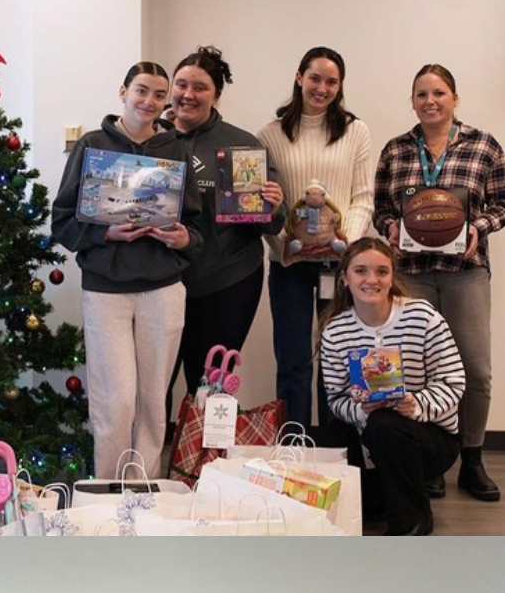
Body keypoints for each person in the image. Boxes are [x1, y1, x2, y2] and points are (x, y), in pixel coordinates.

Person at [51, 61, 201, 479]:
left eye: (159, 94)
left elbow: (195, 226)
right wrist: (105, 234)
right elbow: (62, 221)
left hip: (163, 289)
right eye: (141, 91)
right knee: (114, 400)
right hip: (106, 290)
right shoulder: (92, 145)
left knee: (153, 400)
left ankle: (144, 487)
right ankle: (108, 487)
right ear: (123, 92)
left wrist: (183, 239)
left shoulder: (176, 149)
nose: (149, 101)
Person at [372, 64, 505, 501]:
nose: (430, 101)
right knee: (416, 368)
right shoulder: (396, 150)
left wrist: (478, 227)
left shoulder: (484, 145)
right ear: (412, 101)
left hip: (464, 274)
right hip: (410, 274)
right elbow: (380, 208)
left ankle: (472, 460)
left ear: (454, 98)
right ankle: (429, 459)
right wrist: (390, 226)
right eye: (421, 94)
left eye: (438, 93)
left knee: (475, 370)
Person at [143, 46, 286, 417]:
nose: (188, 94)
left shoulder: (242, 145)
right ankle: (148, 453)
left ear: (217, 94)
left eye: (200, 87)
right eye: (181, 85)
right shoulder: (146, 139)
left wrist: (272, 206)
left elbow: (272, 223)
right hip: (158, 280)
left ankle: (206, 453)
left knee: (210, 387)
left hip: (227, 282)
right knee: (152, 385)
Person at [256, 46, 373, 440]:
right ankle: (294, 442)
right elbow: (263, 204)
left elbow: (363, 197)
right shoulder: (269, 135)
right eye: (315, 78)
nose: (322, 88)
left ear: (340, 86)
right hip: (289, 265)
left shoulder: (356, 131)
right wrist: (285, 244)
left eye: (331, 81)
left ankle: (338, 446)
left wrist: (346, 241)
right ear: (299, 77)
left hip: (339, 268)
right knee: (293, 361)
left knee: (338, 360)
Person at [319, 238, 465, 536]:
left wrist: (416, 404)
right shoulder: (335, 331)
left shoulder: (422, 316)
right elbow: (336, 398)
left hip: (430, 435)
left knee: (385, 424)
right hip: (369, 436)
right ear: (345, 278)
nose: (372, 280)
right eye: (361, 271)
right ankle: (378, 498)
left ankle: (413, 521)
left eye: (382, 271)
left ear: (392, 277)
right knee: (335, 432)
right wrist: (361, 410)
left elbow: (453, 380)